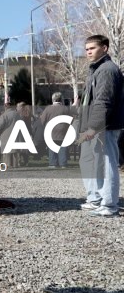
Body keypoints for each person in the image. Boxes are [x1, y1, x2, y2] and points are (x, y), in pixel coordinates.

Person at [77, 34, 123, 217]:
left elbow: (103, 102)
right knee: (89, 161)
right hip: (95, 125)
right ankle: (95, 198)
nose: (88, 51)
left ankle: (109, 204)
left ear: (104, 48)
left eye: (92, 48)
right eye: (87, 49)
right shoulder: (95, 70)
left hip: (106, 126)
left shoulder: (106, 70)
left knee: (106, 163)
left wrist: (93, 127)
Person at [40, 92, 71, 168]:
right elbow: (70, 119)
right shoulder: (65, 108)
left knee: (52, 147)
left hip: (51, 130)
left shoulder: (48, 109)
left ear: (53, 99)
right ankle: (63, 163)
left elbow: (42, 120)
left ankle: (53, 163)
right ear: (61, 99)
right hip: (62, 130)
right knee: (62, 147)